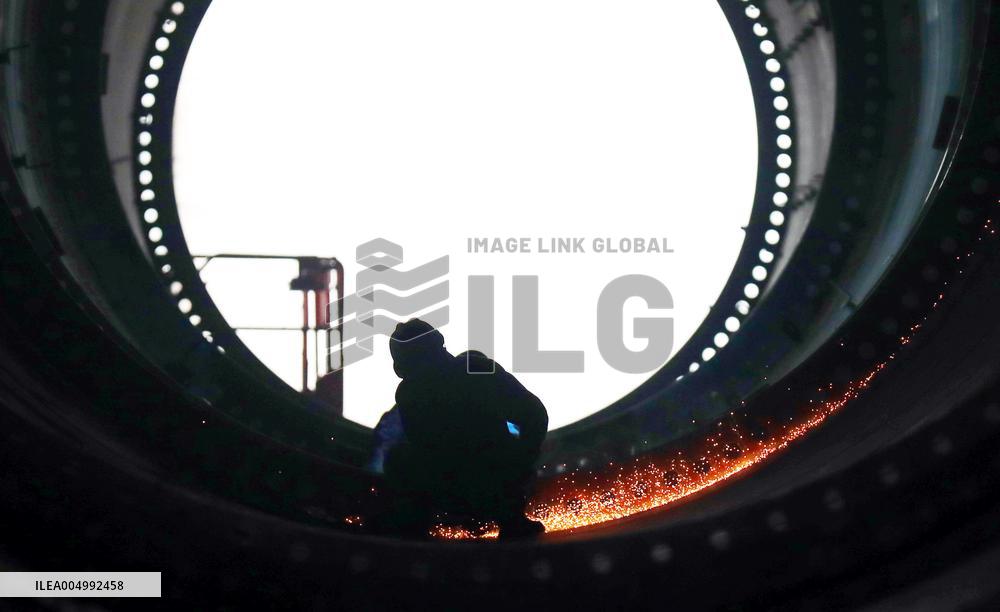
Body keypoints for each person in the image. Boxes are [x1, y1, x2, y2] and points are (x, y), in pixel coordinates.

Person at [373, 319, 548, 539]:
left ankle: (511, 519)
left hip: (493, 478)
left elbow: (534, 415)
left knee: (400, 458)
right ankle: (416, 523)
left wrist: (520, 462)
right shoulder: (412, 393)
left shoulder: (475, 372)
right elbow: (534, 416)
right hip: (456, 484)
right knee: (399, 458)